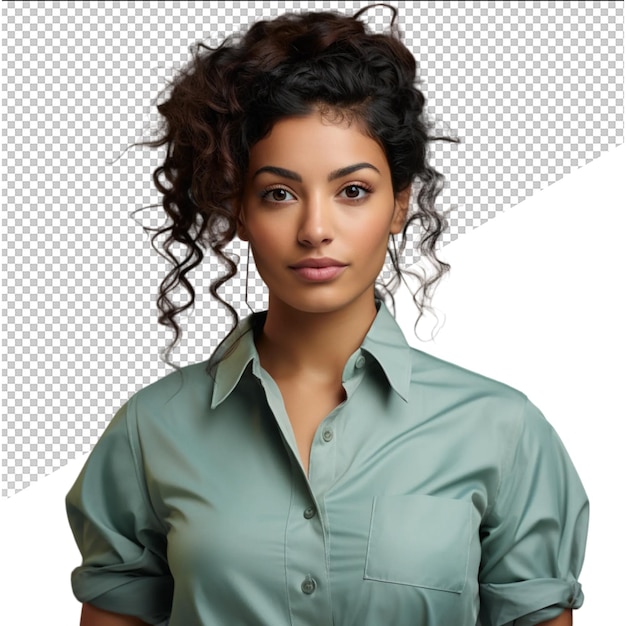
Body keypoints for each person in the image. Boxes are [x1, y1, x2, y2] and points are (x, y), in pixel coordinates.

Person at [66, 4, 588, 626]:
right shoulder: (150, 432)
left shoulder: (503, 430)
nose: (315, 229)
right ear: (239, 212)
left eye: (353, 191)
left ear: (399, 206)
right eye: (279, 194)